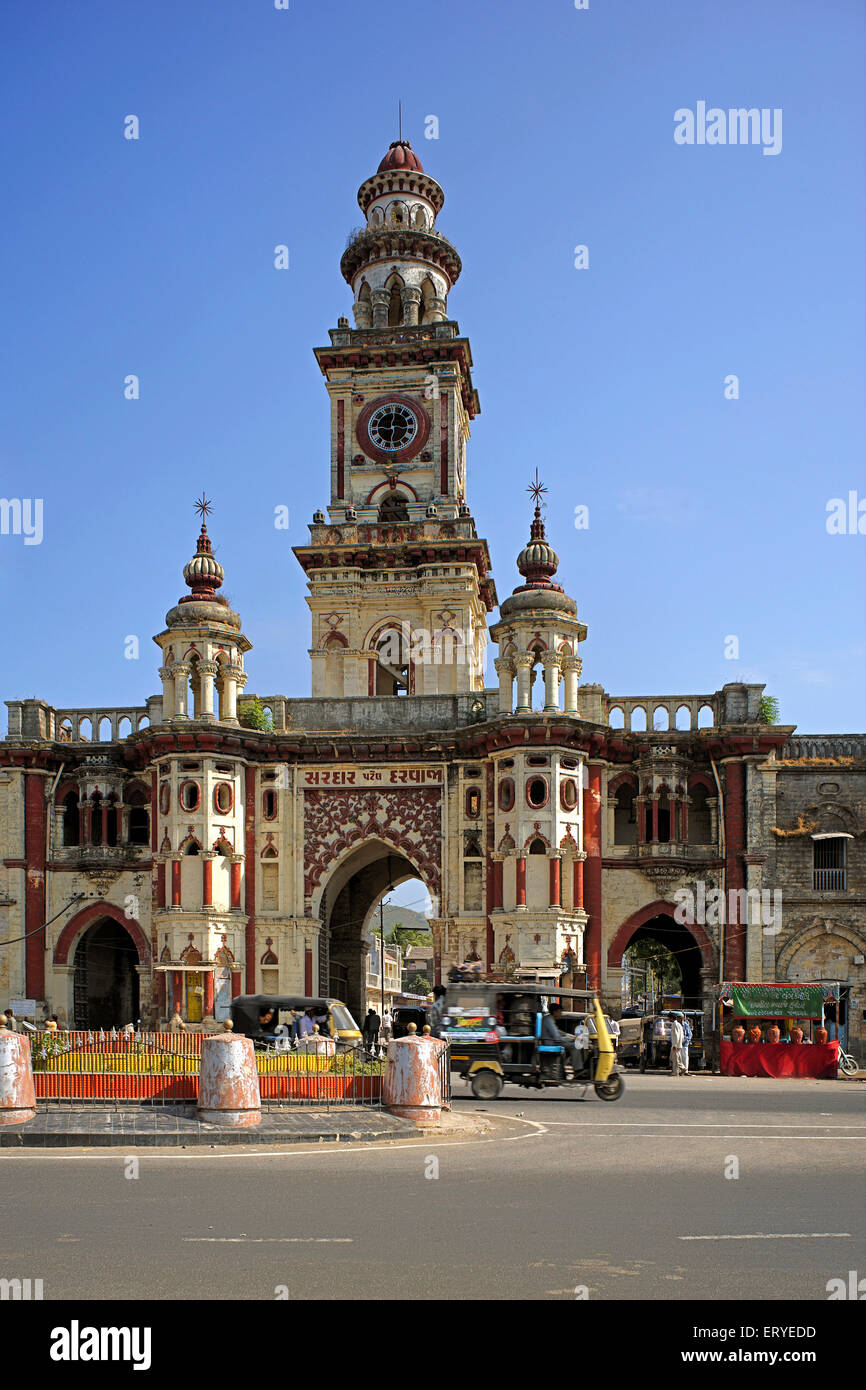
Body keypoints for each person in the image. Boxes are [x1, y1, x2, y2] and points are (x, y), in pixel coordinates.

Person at [543, 1003, 585, 1075]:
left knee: (572, 1045)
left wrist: (573, 1037)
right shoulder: (548, 1020)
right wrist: (573, 1039)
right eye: (560, 1012)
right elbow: (557, 1038)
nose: (561, 1014)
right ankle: (578, 1070)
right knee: (575, 1046)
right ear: (555, 1012)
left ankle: (569, 1068)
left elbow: (560, 1032)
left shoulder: (550, 1019)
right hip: (550, 1042)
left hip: (552, 1041)